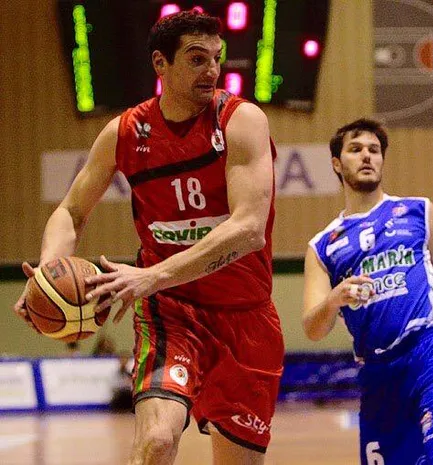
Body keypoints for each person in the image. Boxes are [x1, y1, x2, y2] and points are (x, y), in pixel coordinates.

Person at [13, 10, 283, 465]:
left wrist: (151, 275)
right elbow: (71, 211)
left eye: (216, 58)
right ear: (161, 64)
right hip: (170, 313)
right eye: (196, 59)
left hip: (246, 317)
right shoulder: (124, 132)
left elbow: (249, 229)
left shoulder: (240, 120)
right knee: (157, 440)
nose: (212, 70)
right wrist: (48, 272)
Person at [302, 119, 433, 465]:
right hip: (379, 373)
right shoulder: (322, 246)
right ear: (336, 163)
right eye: (355, 150)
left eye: (374, 150)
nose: (367, 156)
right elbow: (312, 328)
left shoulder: (420, 211)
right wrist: (334, 299)